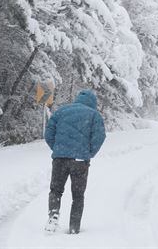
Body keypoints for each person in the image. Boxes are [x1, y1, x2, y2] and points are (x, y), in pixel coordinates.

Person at [44, 89, 106, 234]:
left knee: (56, 190)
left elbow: (48, 133)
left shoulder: (61, 111)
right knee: (78, 196)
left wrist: (58, 149)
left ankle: (53, 217)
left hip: (60, 159)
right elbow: (99, 137)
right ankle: (74, 227)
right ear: (93, 103)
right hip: (80, 161)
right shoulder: (94, 115)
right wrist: (89, 153)